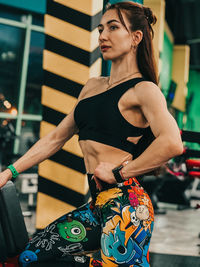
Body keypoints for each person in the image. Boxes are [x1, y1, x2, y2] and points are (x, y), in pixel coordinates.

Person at [0, 2, 183, 267]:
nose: (103, 36)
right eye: (100, 29)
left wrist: (120, 173)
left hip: (128, 209)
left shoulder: (144, 89)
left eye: (113, 27)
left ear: (135, 37)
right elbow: (55, 138)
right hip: (97, 207)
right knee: (29, 258)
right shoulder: (92, 86)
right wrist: (9, 172)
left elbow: (172, 143)